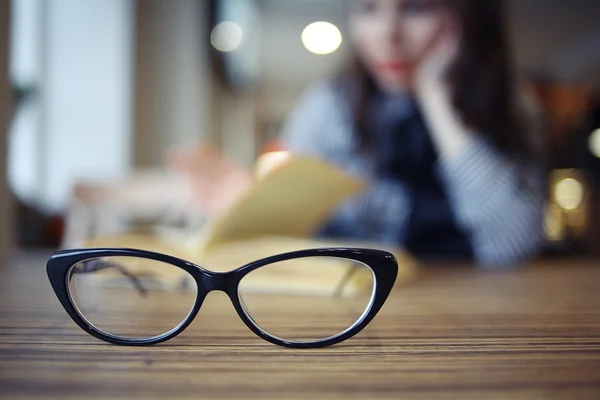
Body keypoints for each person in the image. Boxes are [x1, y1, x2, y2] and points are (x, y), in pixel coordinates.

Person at [175, 0, 545, 267]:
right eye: (369, 8)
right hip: (352, 312)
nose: (388, 34)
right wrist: (250, 206)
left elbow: (511, 245)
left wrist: (436, 95)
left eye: (417, 7)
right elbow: (294, 234)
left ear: (465, 16)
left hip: (478, 318)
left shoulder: (508, 104)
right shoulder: (329, 107)